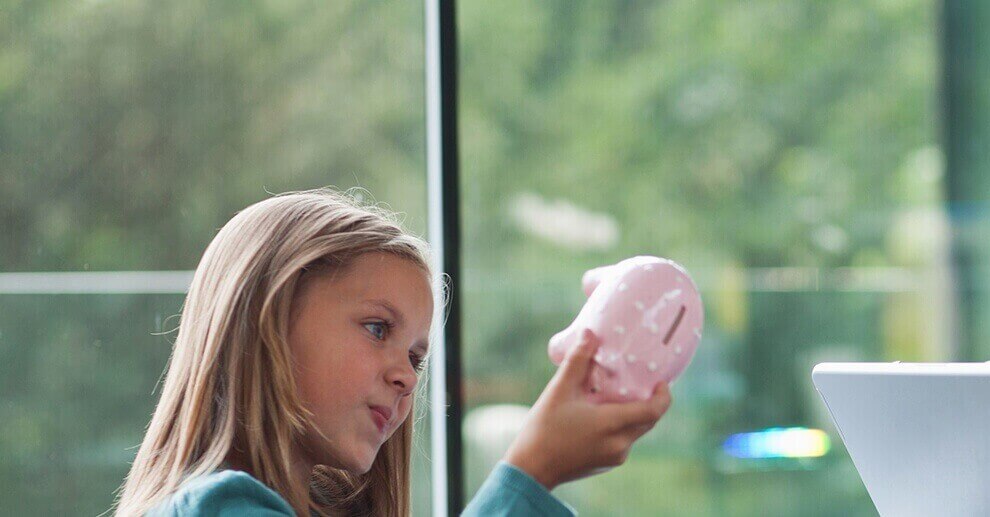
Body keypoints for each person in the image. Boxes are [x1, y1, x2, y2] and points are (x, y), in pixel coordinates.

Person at [114, 189, 668, 516]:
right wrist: (531, 473)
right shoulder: (219, 509)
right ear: (270, 317)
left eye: (417, 358)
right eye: (378, 329)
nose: (407, 376)